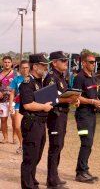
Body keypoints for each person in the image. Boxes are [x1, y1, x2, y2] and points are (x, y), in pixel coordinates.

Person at [44, 51, 79, 188]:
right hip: (55, 116)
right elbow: (50, 98)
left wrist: (73, 100)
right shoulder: (51, 77)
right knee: (55, 146)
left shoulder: (61, 76)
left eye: (66, 60)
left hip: (62, 115)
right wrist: (68, 99)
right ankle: (51, 180)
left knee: (59, 146)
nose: (66, 62)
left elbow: (63, 94)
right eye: (62, 60)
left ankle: (54, 176)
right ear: (54, 63)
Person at [20, 54, 53, 189]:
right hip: (32, 122)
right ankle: (27, 185)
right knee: (30, 157)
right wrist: (44, 107)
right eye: (43, 65)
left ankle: (32, 180)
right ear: (35, 66)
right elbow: (28, 105)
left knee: (37, 155)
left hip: (40, 123)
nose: (46, 67)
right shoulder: (27, 83)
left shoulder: (40, 81)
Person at [73, 54, 100, 183]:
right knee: (85, 142)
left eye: (94, 62)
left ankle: (84, 169)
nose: (93, 64)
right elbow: (76, 97)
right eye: (91, 62)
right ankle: (80, 173)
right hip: (82, 116)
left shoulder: (92, 77)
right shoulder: (80, 78)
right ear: (84, 63)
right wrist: (92, 102)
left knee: (89, 143)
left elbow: (93, 97)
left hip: (91, 115)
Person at [9, 60, 30, 154]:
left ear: (29, 68)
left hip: (31, 105)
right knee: (17, 126)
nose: (25, 69)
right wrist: (10, 105)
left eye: (26, 67)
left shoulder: (33, 79)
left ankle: (28, 146)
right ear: (20, 69)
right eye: (23, 67)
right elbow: (12, 93)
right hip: (19, 106)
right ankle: (22, 144)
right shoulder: (16, 79)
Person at [0, 56, 16, 144]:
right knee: (3, 120)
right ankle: (5, 138)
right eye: (5, 62)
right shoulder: (0, 74)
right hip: (2, 101)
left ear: (11, 63)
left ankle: (14, 137)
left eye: (8, 62)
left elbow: (19, 86)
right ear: (3, 63)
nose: (7, 64)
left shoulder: (16, 74)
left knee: (14, 119)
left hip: (13, 100)